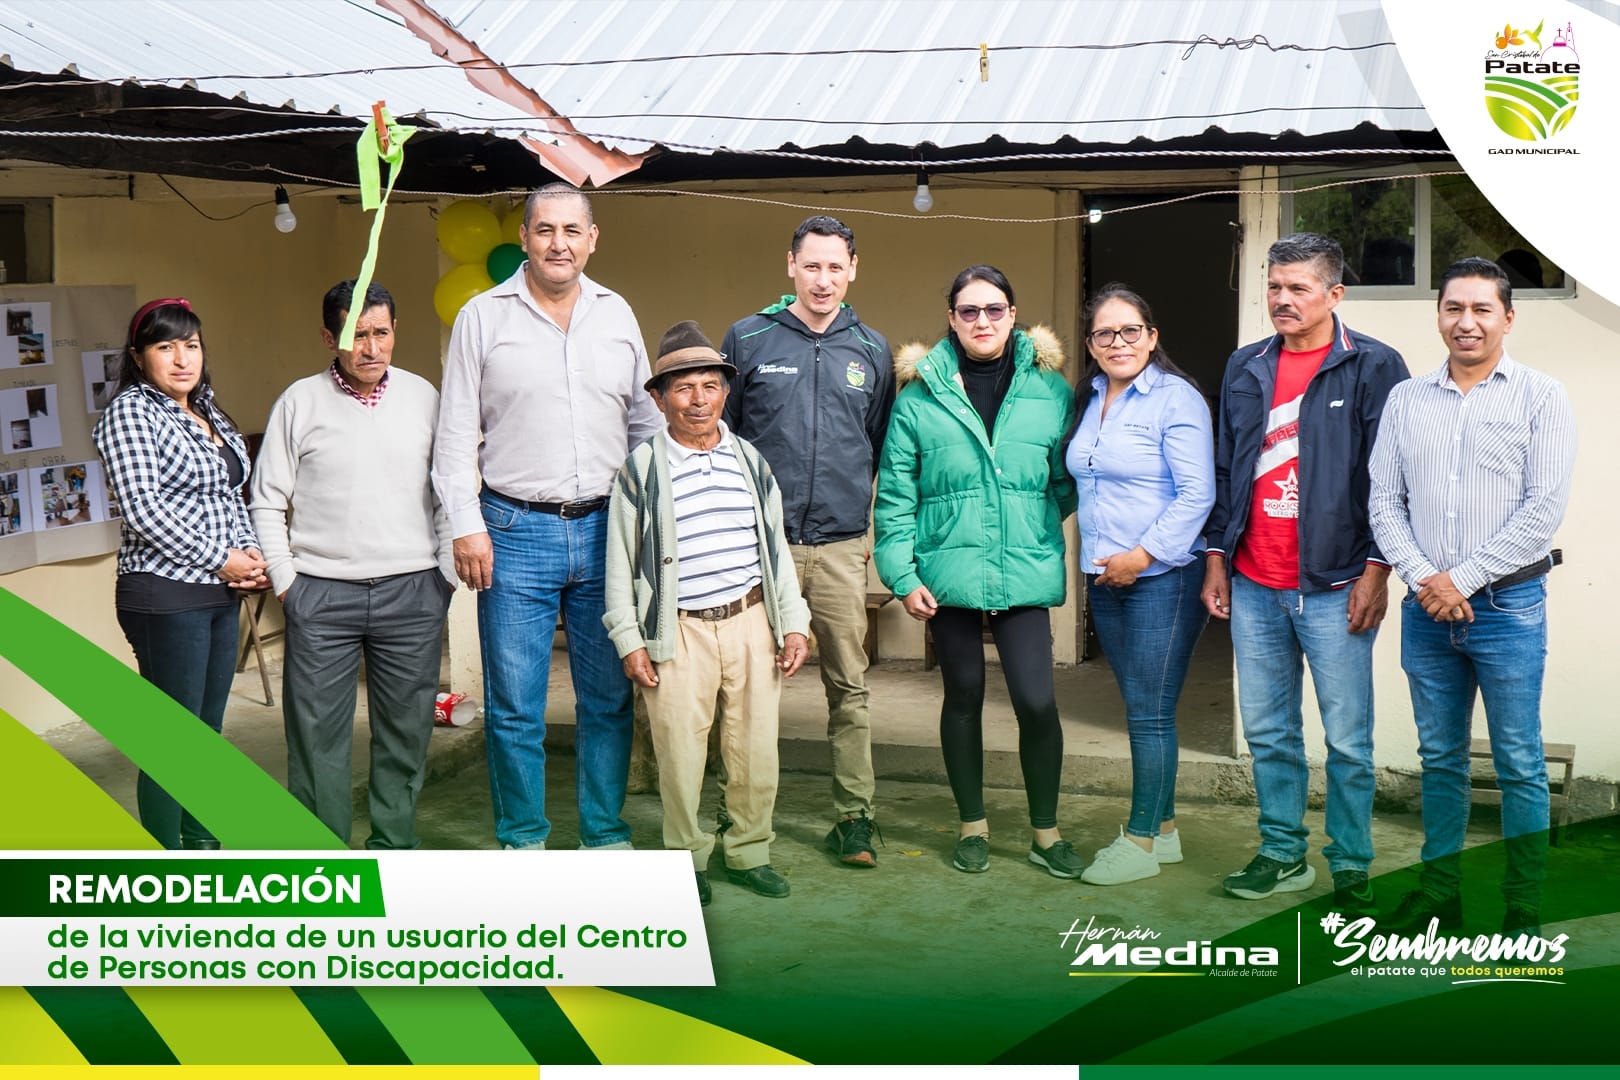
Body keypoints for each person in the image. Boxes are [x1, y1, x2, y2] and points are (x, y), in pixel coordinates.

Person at [433, 183, 662, 851]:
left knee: (607, 701)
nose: (558, 242)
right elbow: (452, 436)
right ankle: (524, 839)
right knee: (514, 709)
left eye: (571, 230)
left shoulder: (617, 315)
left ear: (593, 240)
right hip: (512, 532)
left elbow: (647, 427)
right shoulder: (482, 316)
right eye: (544, 230)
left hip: (607, 531)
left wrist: (655, 522)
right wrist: (464, 525)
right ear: (525, 239)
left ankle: (604, 835)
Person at [1369, 257, 1575, 937]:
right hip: (1427, 613)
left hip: (1509, 609)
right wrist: (1428, 577)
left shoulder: (1542, 396)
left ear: (1508, 318)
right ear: (1439, 315)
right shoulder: (1407, 400)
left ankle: (1523, 907)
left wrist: (1462, 579)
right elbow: (1384, 502)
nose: (1466, 321)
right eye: (1454, 307)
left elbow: (1541, 510)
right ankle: (1439, 895)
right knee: (1442, 762)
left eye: (1482, 309)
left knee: (1518, 761)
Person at [1201, 233, 1409, 909]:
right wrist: (1216, 559)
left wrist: (1377, 571)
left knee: (1348, 740)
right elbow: (1227, 468)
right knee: (1268, 732)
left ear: (1334, 294)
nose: (1282, 300)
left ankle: (1350, 863)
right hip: (1257, 582)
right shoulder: (1244, 366)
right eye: (1274, 286)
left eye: (1298, 288)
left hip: (1337, 584)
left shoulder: (1375, 365)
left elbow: (1393, 478)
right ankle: (1282, 853)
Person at [874, 265, 1082, 878]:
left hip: (1022, 569)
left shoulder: (1051, 391)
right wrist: (903, 573)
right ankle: (973, 826)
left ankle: (1047, 833)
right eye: (969, 311)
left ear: (1013, 316)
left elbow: (1065, 483)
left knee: (1036, 701)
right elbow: (895, 497)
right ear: (952, 318)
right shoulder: (919, 397)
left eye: (994, 310)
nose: (982, 321)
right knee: (961, 695)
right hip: (947, 573)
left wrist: (1030, 522)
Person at [604, 321, 811, 905]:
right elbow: (620, 562)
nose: (698, 400)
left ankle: (749, 851)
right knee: (680, 752)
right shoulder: (642, 470)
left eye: (710, 386)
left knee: (754, 749)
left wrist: (792, 621)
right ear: (659, 397)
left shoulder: (750, 461)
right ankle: (685, 863)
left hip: (751, 620)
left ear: (726, 390)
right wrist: (630, 639)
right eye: (683, 388)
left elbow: (776, 551)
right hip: (680, 629)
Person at [251, 280, 456, 850]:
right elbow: (267, 499)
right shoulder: (300, 401)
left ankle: (394, 850)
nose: (370, 348)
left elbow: (450, 490)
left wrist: (443, 573)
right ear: (329, 337)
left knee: (405, 733)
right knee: (316, 737)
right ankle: (326, 866)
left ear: (395, 332)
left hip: (413, 593)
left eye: (380, 333)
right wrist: (288, 583)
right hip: (321, 596)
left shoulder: (424, 398)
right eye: (356, 335)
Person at [722, 215, 894, 868]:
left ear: (854, 269)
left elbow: (875, 445)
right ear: (790, 265)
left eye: (835, 266)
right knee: (749, 689)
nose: (823, 279)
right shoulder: (749, 338)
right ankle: (739, 817)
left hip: (843, 549)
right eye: (812, 265)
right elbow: (723, 440)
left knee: (849, 687)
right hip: (759, 549)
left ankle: (855, 818)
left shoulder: (872, 350)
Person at [92, 298, 267, 849]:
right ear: (139, 357)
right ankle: (167, 863)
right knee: (174, 740)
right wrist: (223, 559)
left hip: (218, 591)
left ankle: (204, 847)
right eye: (165, 347)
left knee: (206, 734)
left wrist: (251, 556)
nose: (181, 358)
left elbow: (230, 497)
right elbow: (145, 511)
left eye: (190, 345)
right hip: (163, 593)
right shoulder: (131, 413)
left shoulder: (208, 410)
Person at [1064, 285, 1214, 885]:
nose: (1118, 342)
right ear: (1090, 345)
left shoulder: (1177, 399)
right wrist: (1111, 564)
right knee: (1140, 708)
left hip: (1162, 577)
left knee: (1150, 715)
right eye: (1105, 334)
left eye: (1131, 331)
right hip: (1107, 578)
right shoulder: (1092, 396)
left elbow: (1197, 493)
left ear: (1153, 337)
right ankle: (1168, 831)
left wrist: (1142, 554)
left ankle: (1141, 841)